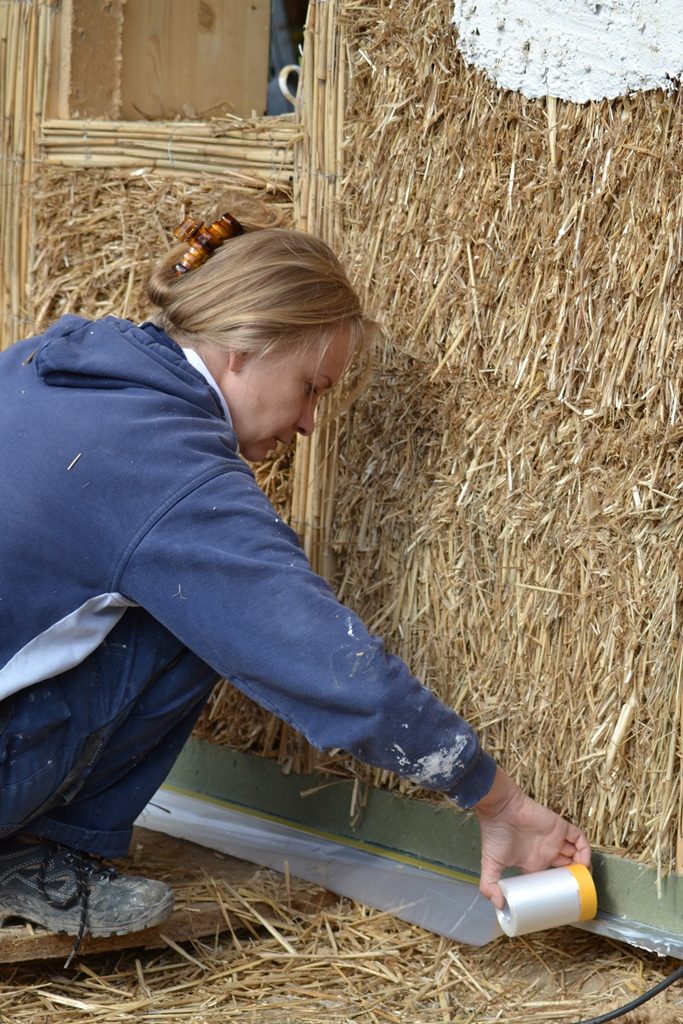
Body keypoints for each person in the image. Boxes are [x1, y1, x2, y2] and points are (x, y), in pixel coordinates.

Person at [0, 206, 591, 958]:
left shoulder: (52, 361)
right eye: (311, 386)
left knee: (190, 597)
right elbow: (325, 663)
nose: (310, 422)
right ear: (246, 348)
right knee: (212, 611)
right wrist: (493, 796)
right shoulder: (168, 466)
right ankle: (43, 851)